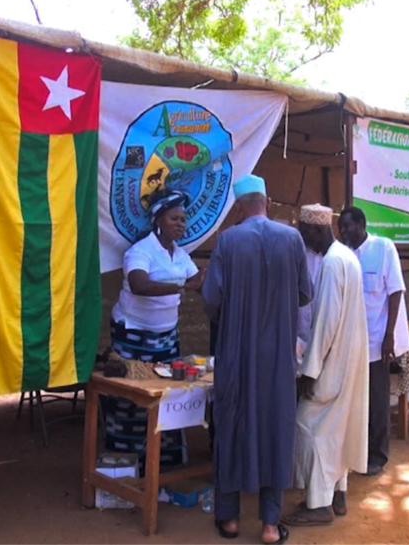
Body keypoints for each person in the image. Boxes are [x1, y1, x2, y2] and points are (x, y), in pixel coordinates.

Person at [202, 175, 311, 545]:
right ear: (267, 201)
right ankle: (268, 525)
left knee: (231, 425)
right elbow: (303, 295)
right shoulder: (292, 238)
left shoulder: (228, 241)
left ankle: (229, 519)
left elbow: (212, 300)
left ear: (239, 206)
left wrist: (234, 317)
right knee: (275, 429)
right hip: (279, 356)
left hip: (236, 354)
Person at [104, 190, 203, 472]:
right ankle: (124, 468)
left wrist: (207, 275)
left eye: (184, 219)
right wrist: (181, 287)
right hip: (133, 338)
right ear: (158, 219)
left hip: (167, 339)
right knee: (131, 399)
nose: (181, 223)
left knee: (167, 397)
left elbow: (196, 277)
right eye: (174, 218)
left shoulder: (180, 255)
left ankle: (165, 466)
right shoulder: (140, 251)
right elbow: (139, 285)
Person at [284, 204, 369, 528]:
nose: (306, 244)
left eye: (306, 236)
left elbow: (326, 322)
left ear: (318, 230)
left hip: (333, 364)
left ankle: (319, 504)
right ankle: (338, 492)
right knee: (334, 430)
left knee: (310, 426)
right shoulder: (347, 257)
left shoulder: (333, 263)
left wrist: (309, 370)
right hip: (349, 361)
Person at [337, 206, 409, 476]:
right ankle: (357, 451)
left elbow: (395, 292)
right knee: (354, 402)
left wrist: (390, 335)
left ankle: (378, 456)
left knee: (377, 401)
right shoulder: (342, 255)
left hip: (377, 342)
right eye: (340, 228)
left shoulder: (383, 248)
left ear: (362, 224)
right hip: (350, 344)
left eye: (347, 227)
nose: (343, 232)